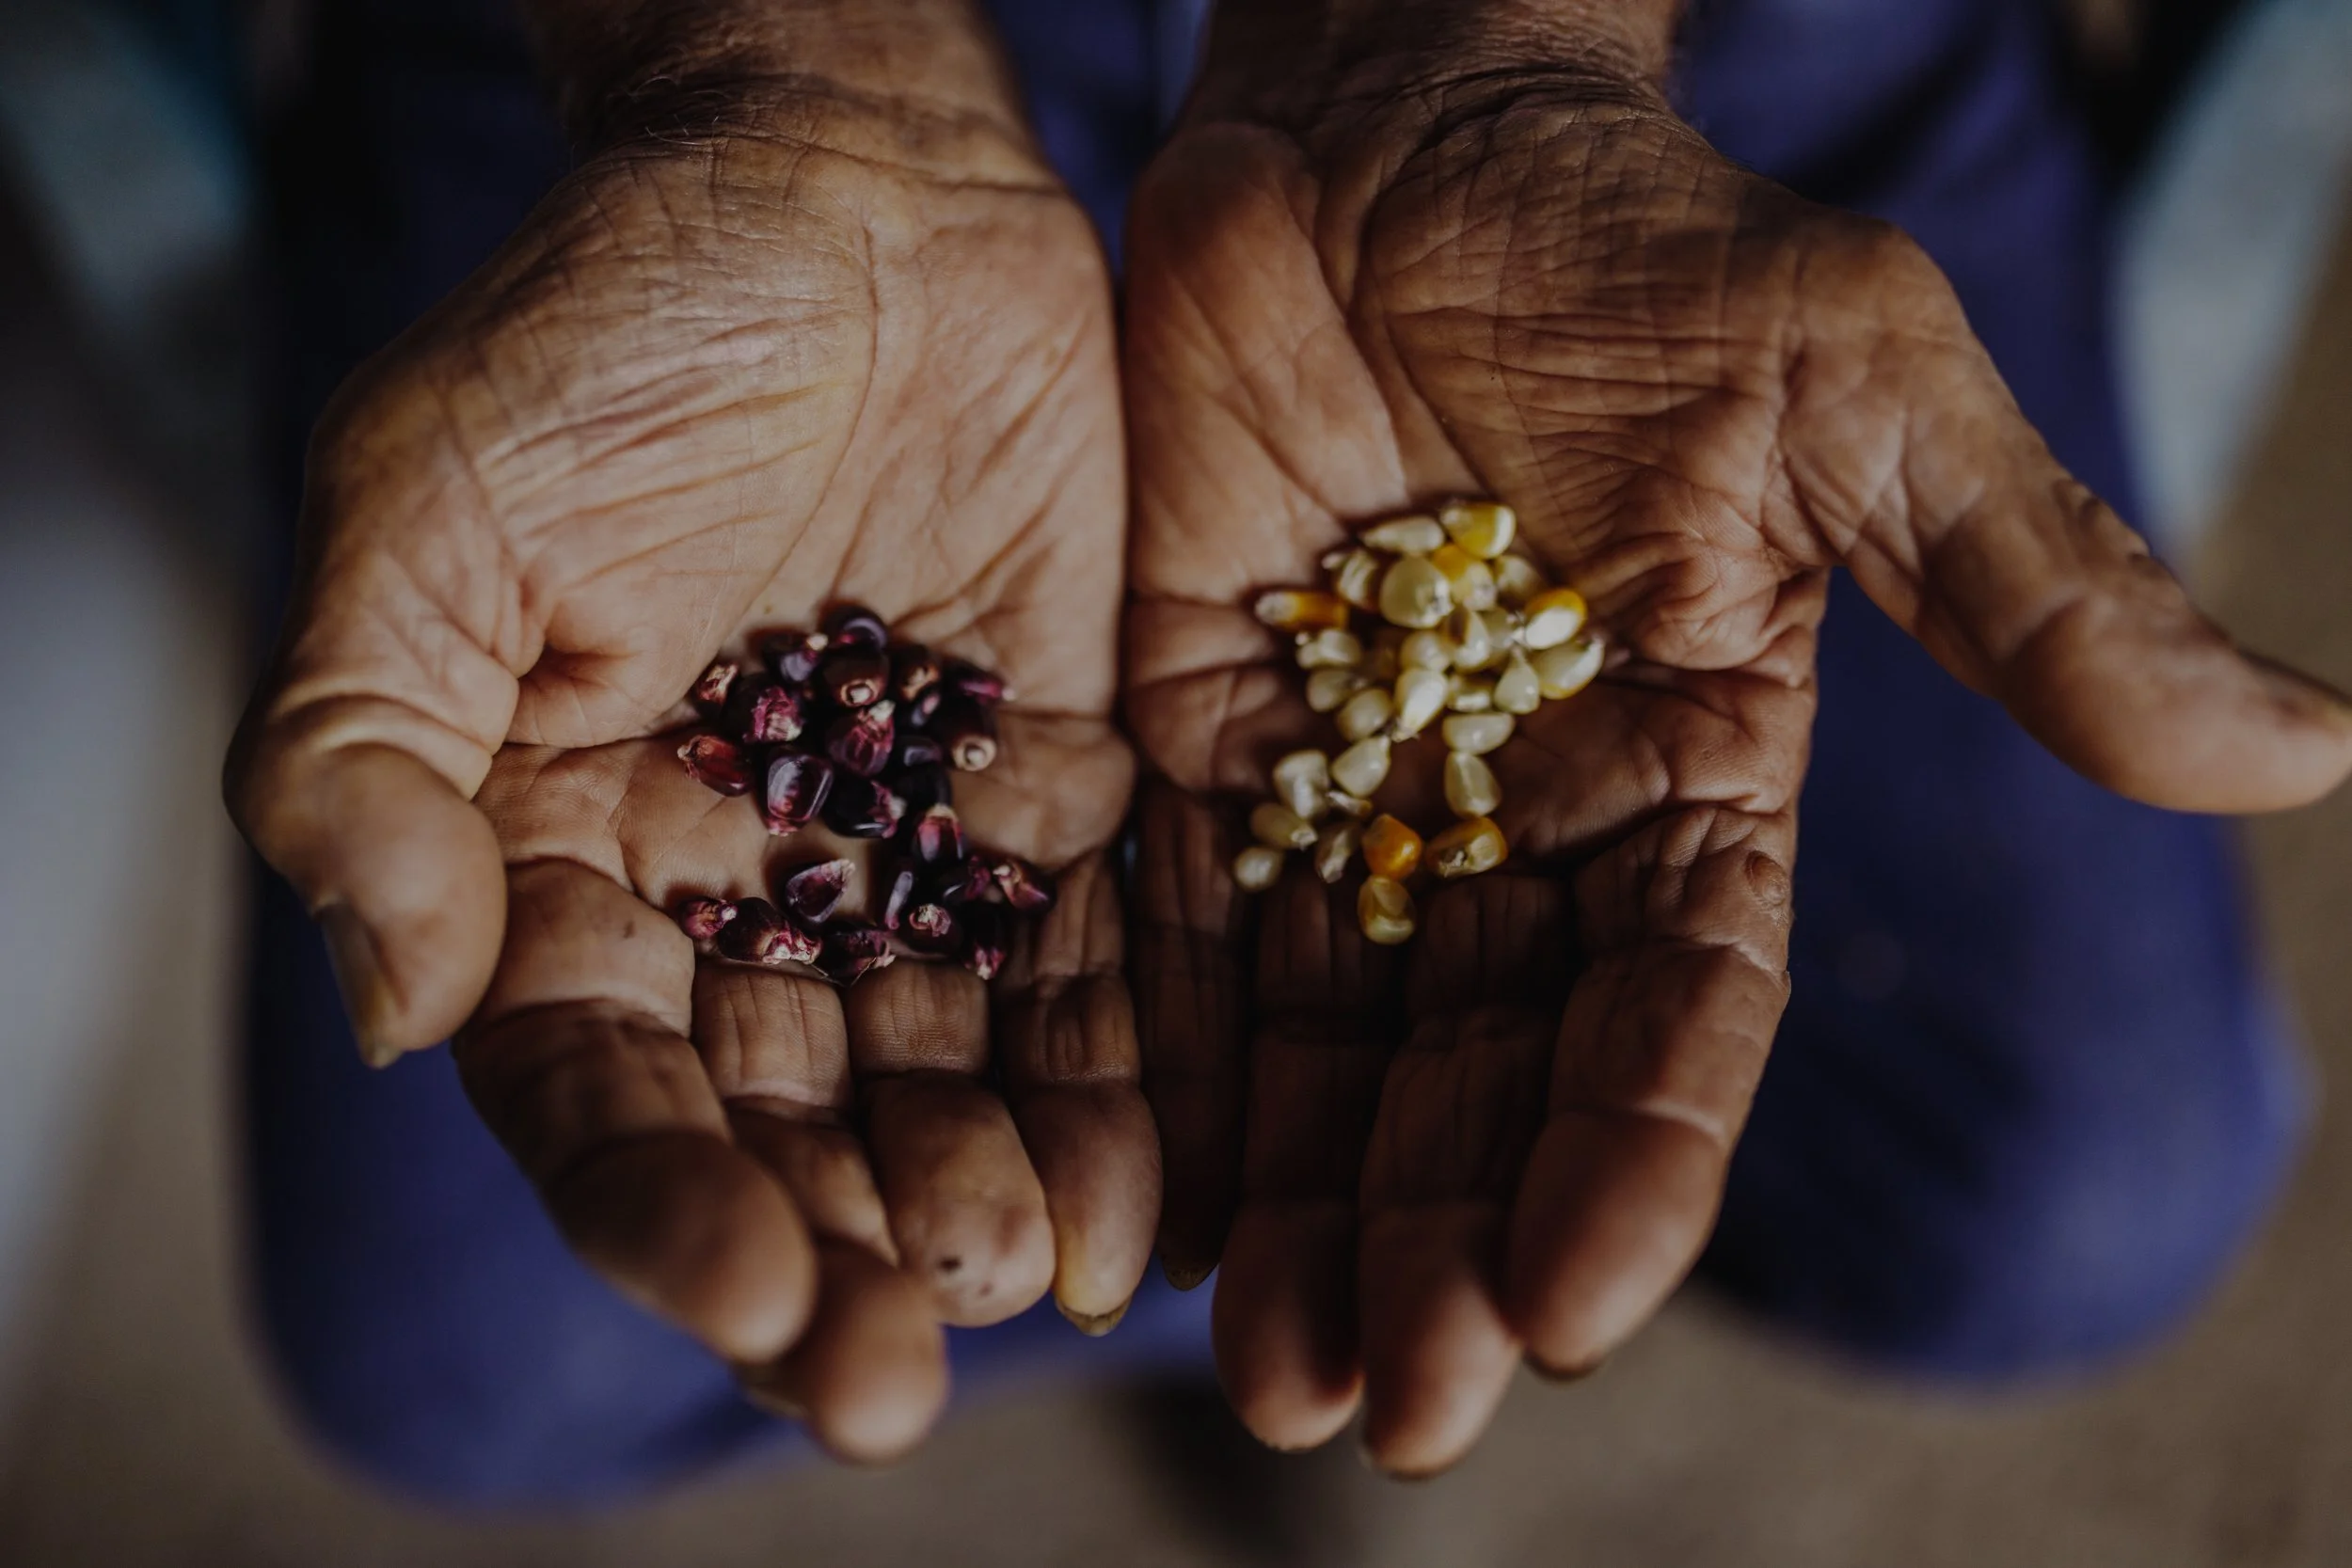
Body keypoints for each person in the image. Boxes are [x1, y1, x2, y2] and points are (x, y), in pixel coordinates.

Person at [225, 0, 2350, 1501]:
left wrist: (1476, 54)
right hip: (642, 76)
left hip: (1669, 66)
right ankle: (1164, 1286)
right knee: (452, 1362)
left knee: (2080, 1204)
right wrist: (771, 72)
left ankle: (1181, 1282)